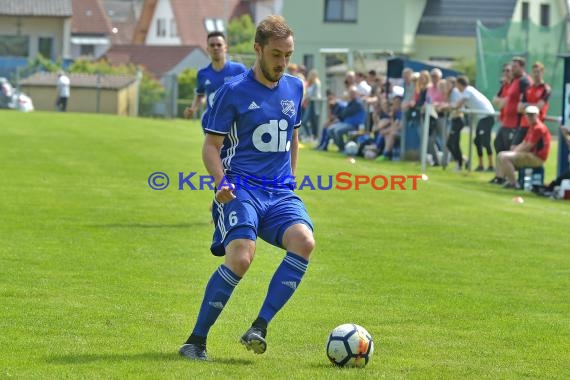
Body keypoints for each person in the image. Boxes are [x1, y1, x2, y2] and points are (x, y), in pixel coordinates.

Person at [179, 15, 315, 361]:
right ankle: (195, 341)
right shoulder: (232, 92)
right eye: (276, 55)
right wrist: (220, 182)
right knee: (241, 257)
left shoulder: (295, 87)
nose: (282, 63)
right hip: (241, 189)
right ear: (258, 50)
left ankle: (259, 327)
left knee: (304, 242)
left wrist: (292, 179)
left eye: (288, 55)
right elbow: (211, 146)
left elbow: (294, 136)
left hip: (280, 192)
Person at [184, 31, 247, 125]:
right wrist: (193, 109)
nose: (216, 48)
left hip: (235, 123)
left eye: (219, 45)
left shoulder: (239, 70)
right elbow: (200, 95)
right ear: (207, 49)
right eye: (212, 45)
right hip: (212, 123)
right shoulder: (203, 74)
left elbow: (249, 91)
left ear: (225, 47)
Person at [493, 105, 551, 189]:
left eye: (532, 115)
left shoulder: (538, 128)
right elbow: (524, 143)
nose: (529, 117)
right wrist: (514, 151)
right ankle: (500, 179)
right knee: (501, 155)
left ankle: (513, 183)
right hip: (531, 155)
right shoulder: (532, 127)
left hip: (537, 157)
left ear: (537, 115)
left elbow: (528, 146)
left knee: (504, 157)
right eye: (528, 115)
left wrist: (514, 153)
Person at [454, 76, 496, 171]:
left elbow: (459, 104)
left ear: (460, 84)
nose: (457, 88)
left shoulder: (468, 90)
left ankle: (491, 165)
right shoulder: (468, 91)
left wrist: (451, 107)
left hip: (487, 117)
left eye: (457, 85)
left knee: (485, 141)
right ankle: (481, 165)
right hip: (482, 117)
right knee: (477, 141)